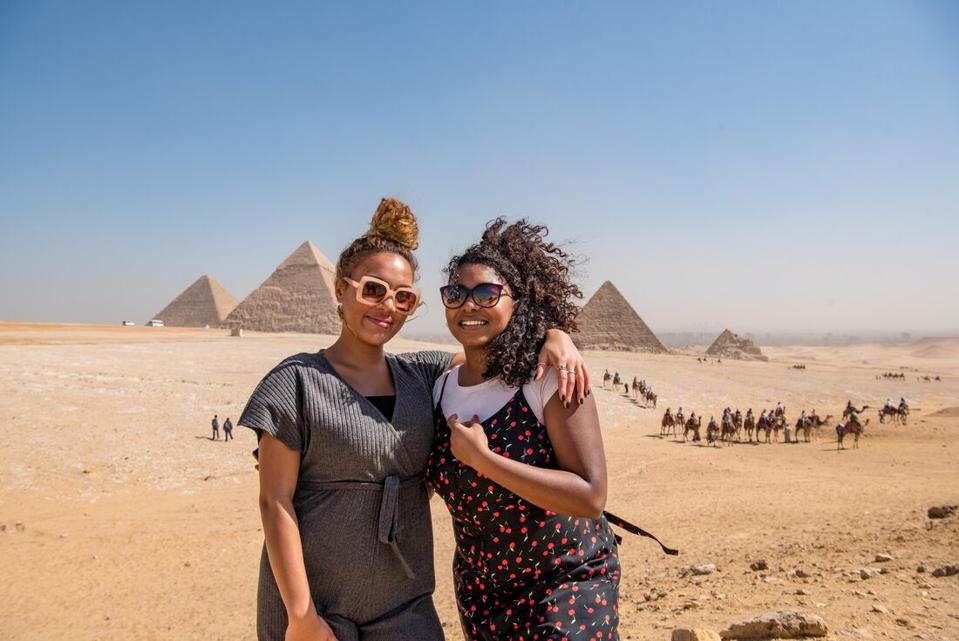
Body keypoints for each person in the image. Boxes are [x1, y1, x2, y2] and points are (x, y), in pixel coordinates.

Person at [238, 200, 588, 641]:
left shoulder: (422, 375)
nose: (387, 306)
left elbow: (491, 345)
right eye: (372, 290)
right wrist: (301, 615)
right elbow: (275, 503)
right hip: (316, 612)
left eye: (403, 297)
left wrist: (553, 337)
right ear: (340, 289)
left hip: (405, 605)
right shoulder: (295, 383)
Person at [428, 218, 621, 640]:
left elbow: (591, 495)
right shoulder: (441, 387)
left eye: (487, 293)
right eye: (455, 293)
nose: (469, 305)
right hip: (483, 594)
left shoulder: (550, 377)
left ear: (519, 301)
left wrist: (484, 461)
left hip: (564, 583)